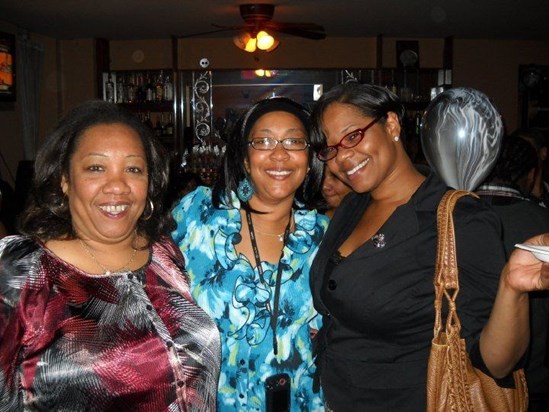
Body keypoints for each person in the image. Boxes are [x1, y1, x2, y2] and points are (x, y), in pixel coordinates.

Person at [308, 82, 549, 411]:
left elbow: (497, 363)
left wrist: (512, 288)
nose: (342, 158)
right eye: (330, 149)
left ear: (391, 124)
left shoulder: (458, 219)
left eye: (353, 137)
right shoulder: (353, 206)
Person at [0, 100, 220, 411]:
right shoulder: (22, 271)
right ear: (64, 179)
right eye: (96, 168)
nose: (117, 186)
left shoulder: (163, 253)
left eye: (133, 169)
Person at [172, 97, 329, 411]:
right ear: (244, 158)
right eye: (264, 140)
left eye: (294, 141)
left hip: (300, 402)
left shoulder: (323, 235)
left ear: (309, 157)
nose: (280, 153)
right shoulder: (197, 216)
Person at [477, 136, 549, 411]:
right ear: (531, 175)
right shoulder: (541, 222)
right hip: (532, 385)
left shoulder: (451, 216)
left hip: (457, 378)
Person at [511, 127, 549, 208]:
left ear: (543, 153)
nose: (521, 155)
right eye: (517, 150)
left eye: (527, 150)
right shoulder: (510, 197)